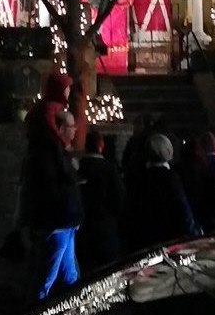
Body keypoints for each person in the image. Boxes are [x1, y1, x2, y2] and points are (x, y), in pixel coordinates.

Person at [20, 73, 83, 301]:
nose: (75, 130)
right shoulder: (50, 148)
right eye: (71, 126)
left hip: (64, 221)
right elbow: (50, 185)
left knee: (68, 275)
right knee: (47, 276)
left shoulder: (51, 148)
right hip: (57, 222)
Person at [124, 133, 200, 252]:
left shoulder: (138, 178)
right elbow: (182, 209)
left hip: (143, 241)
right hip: (170, 240)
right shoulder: (172, 179)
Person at [76, 130, 125, 275]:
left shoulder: (78, 168)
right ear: (101, 145)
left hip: (83, 229)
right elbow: (119, 198)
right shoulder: (108, 169)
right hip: (105, 228)